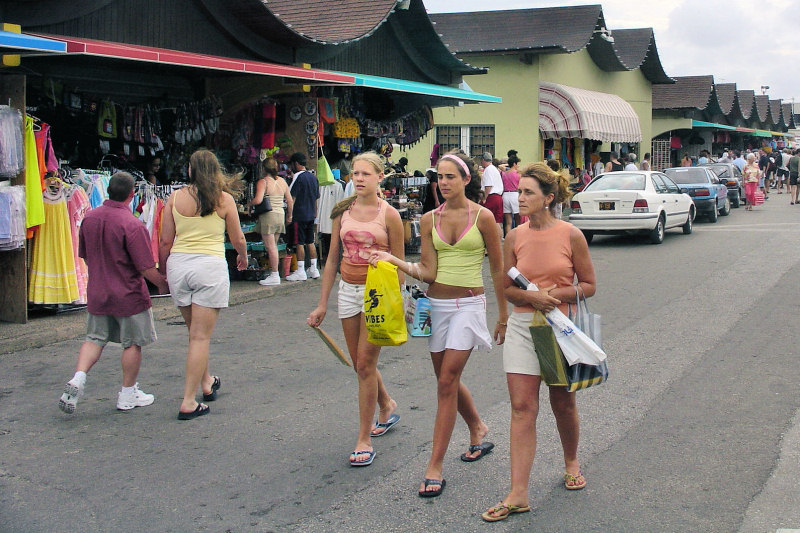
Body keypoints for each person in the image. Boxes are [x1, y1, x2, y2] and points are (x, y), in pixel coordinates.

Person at [369, 150, 508, 498]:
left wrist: (503, 314)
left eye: (450, 176)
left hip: (469, 306)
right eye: (439, 177)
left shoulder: (485, 218)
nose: (443, 183)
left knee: (446, 380)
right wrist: (394, 260)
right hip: (435, 307)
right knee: (446, 378)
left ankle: (435, 466)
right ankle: (477, 427)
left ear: (466, 179)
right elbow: (428, 272)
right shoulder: (429, 218)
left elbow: (496, 269)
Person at [482, 162, 596, 523]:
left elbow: (589, 285)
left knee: (562, 402)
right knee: (521, 407)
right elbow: (506, 287)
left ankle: (571, 461)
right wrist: (531, 298)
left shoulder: (569, 235)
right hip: (522, 328)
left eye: (529, 192)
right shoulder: (515, 236)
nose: (521, 197)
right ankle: (518, 493)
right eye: (520, 191)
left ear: (549, 198)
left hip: (556, 330)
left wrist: (553, 294)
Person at [307, 152, 405, 467]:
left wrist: (397, 302)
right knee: (358, 364)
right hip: (348, 292)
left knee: (364, 364)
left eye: (366, 173)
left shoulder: (390, 215)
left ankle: (363, 438)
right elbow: (332, 259)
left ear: (380, 177)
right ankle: (386, 403)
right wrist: (322, 302)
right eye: (355, 173)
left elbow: (400, 265)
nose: (359, 178)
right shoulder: (342, 212)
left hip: (377, 293)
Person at [58, 172, 169, 415]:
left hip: (98, 290)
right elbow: (144, 266)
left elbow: (85, 254)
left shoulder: (90, 218)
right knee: (132, 343)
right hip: (128, 294)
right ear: (132, 195)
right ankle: (127, 394)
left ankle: (78, 378)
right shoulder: (132, 224)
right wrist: (162, 284)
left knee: (94, 338)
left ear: (108, 191)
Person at [159, 149, 248, 420]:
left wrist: (163, 271)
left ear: (191, 171)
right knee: (200, 336)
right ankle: (188, 401)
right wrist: (243, 257)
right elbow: (238, 239)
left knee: (194, 333)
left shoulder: (174, 198)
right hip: (209, 267)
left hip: (180, 267)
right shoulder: (224, 200)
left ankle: (207, 381)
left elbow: (165, 241)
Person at [249, 158, 293, 286]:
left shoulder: (263, 182)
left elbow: (258, 200)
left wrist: (249, 204)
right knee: (273, 245)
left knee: (271, 246)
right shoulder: (282, 181)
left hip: (268, 216)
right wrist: (289, 216)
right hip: (280, 215)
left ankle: (274, 275)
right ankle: (274, 273)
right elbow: (289, 201)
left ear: (264, 168)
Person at [286, 152, 321, 281]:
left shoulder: (297, 177)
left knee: (299, 242)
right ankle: (314, 268)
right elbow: (316, 199)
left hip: (299, 215)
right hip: (311, 214)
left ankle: (300, 270)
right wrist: (315, 214)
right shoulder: (313, 178)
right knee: (310, 241)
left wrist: (289, 215)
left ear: (295, 164)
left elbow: (291, 198)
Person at [480, 152, 505, 239]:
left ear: (483, 160)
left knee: (487, 221)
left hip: (491, 197)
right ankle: (498, 240)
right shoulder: (494, 169)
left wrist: (484, 198)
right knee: (496, 221)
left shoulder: (488, 170)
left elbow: (488, 185)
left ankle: (490, 241)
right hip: (498, 197)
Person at [501, 154, 521, 236]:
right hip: (515, 195)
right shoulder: (518, 174)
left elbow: (500, 166)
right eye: (517, 164)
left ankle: (507, 238)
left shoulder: (504, 173)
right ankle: (518, 237)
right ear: (514, 164)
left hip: (505, 195)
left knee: (508, 222)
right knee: (517, 219)